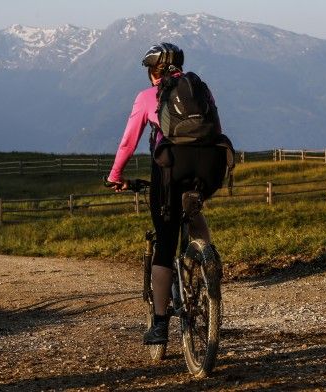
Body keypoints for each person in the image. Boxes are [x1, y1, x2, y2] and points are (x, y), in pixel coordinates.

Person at [106, 43, 229, 345]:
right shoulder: (201, 89)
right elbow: (215, 127)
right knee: (194, 208)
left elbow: (128, 142)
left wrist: (115, 176)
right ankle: (207, 259)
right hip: (211, 166)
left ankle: (159, 323)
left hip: (171, 168)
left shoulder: (149, 96)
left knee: (165, 237)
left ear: (152, 72)